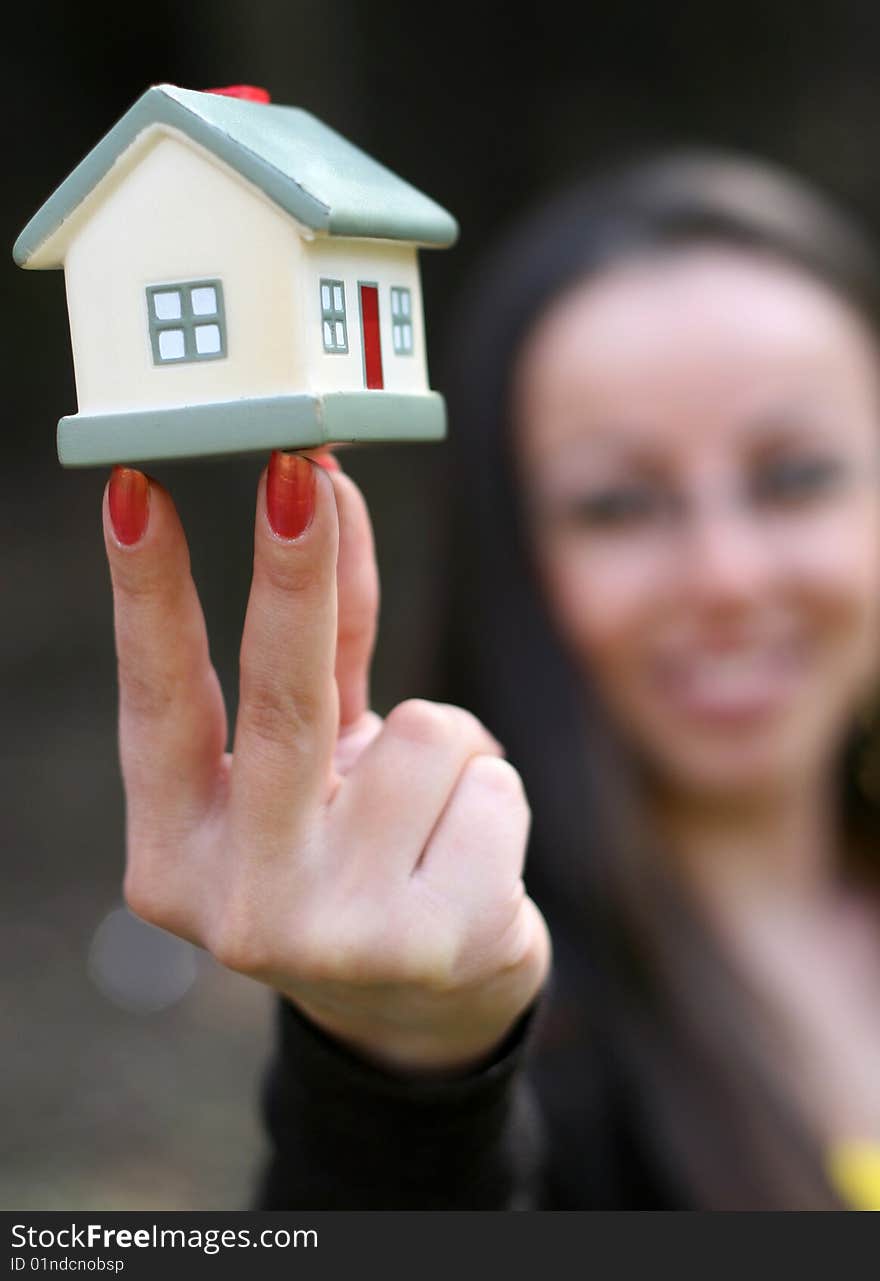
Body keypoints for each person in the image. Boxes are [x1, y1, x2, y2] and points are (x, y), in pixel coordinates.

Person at [101, 151, 880, 1211]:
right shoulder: (502, 1000)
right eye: (616, 504)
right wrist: (403, 1077)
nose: (727, 577)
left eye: (794, 477)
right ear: (513, 557)